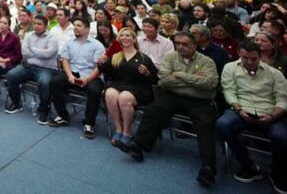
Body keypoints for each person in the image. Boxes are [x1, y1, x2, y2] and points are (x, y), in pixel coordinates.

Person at [123, 32, 219, 187]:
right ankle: (138, 146)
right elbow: (164, 81)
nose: (180, 46)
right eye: (178, 43)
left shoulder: (206, 61)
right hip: (173, 96)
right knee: (153, 110)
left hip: (200, 101)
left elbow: (210, 84)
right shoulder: (171, 57)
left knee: (205, 124)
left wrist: (179, 75)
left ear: (194, 45)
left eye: (185, 44)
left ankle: (208, 167)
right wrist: (194, 79)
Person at [218, 39, 287, 190]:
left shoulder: (275, 74)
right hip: (241, 109)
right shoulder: (230, 68)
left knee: (282, 136)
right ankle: (248, 165)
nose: (249, 62)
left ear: (260, 55)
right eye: (245, 58)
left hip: (269, 112)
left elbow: (282, 99)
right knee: (222, 124)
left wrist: (272, 116)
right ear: (238, 54)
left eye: (254, 58)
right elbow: (229, 91)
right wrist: (238, 109)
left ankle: (276, 172)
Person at [49, 17, 105, 139]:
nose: (75, 28)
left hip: (91, 75)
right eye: (74, 25)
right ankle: (63, 116)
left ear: (87, 29)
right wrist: (69, 75)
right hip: (73, 72)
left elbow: (99, 67)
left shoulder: (97, 45)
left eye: (79, 25)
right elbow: (65, 60)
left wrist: (88, 79)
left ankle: (89, 123)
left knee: (95, 90)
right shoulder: (69, 42)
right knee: (55, 82)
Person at [101, 28, 158, 148]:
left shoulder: (143, 58)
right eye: (122, 36)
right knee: (109, 93)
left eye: (128, 35)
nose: (124, 38)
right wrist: (101, 63)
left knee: (124, 97)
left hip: (139, 88)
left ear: (133, 39)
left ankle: (127, 131)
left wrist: (147, 73)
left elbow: (155, 79)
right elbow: (105, 70)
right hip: (119, 85)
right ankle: (118, 128)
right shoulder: (116, 56)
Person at [5, 14, 59, 124]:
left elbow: (48, 54)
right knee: (11, 75)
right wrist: (40, 51)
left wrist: (32, 49)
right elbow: (24, 52)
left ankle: (44, 110)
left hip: (46, 68)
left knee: (44, 82)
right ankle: (16, 103)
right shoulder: (29, 35)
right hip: (29, 66)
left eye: (39, 24)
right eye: (35, 23)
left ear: (45, 26)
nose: (36, 26)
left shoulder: (52, 38)